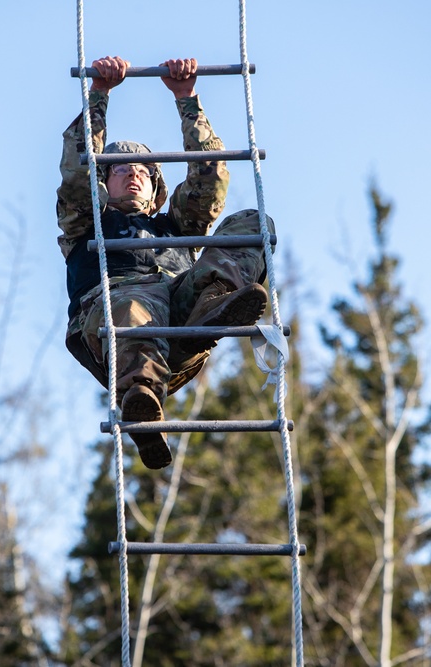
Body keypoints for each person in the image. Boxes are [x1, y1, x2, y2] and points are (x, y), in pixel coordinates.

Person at [57, 56, 275, 470]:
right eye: (117, 169)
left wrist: (187, 98)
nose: (131, 175)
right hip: (117, 329)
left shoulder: (176, 226)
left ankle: (212, 307)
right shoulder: (86, 222)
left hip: (182, 316)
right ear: (104, 181)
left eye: (141, 169)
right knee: (134, 306)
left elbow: (209, 182)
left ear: (156, 184)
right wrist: (99, 94)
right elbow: (76, 172)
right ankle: (142, 405)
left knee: (252, 224)